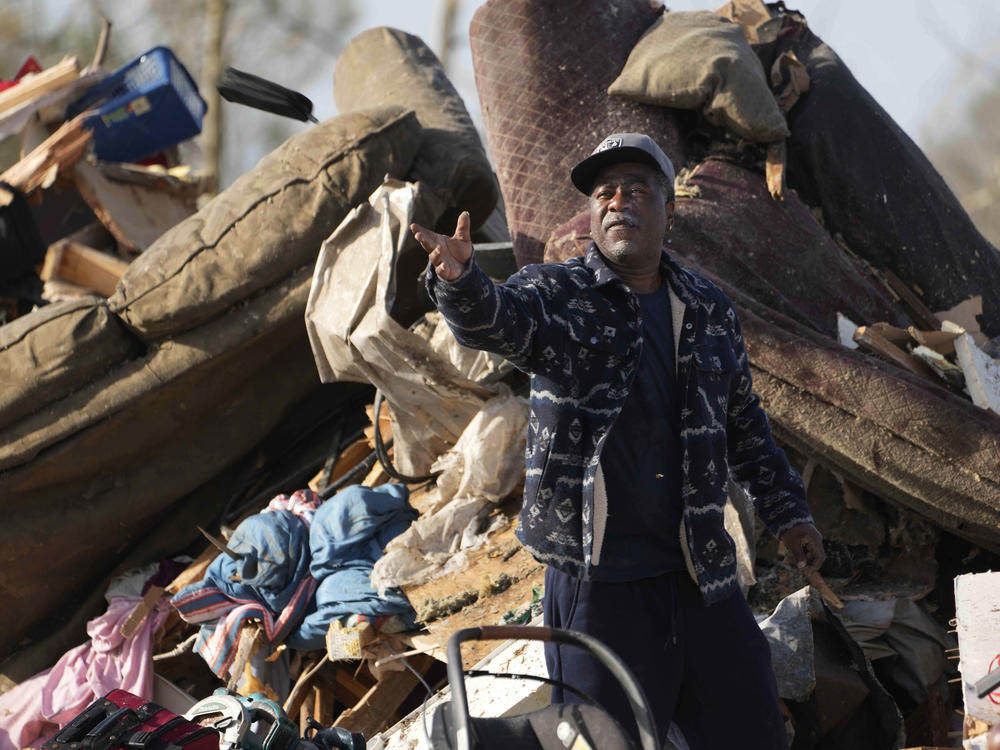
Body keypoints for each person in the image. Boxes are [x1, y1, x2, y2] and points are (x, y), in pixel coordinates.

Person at [411, 133, 825, 750]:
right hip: (598, 586)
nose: (616, 202)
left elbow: (745, 424)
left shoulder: (708, 308)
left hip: (699, 574)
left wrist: (790, 512)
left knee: (752, 729)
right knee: (602, 741)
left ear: (668, 209)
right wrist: (460, 280)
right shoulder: (557, 293)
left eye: (636, 190)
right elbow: (495, 320)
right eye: (604, 193)